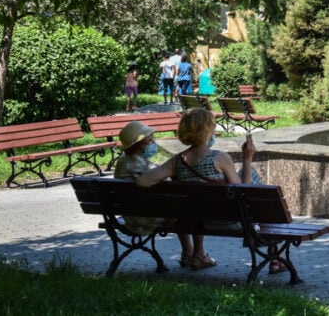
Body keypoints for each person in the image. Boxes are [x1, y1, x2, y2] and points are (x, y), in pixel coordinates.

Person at [136, 108, 282, 272]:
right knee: (255, 181)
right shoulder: (220, 158)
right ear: (206, 130)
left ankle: (273, 253)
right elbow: (244, 189)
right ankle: (274, 254)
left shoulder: (178, 161)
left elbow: (143, 180)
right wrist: (247, 158)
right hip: (228, 221)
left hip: (197, 221)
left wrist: (169, 178)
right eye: (212, 126)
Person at [113, 121, 201, 268]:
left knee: (180, 208)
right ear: (137, 145)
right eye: (149, 141)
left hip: (132, 214)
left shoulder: (124, 162)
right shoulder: (139, 165)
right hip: (146, 218)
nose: (153, 143)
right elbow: (166, 182)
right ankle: (197, 255)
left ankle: (187, 252)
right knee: (191, 209)